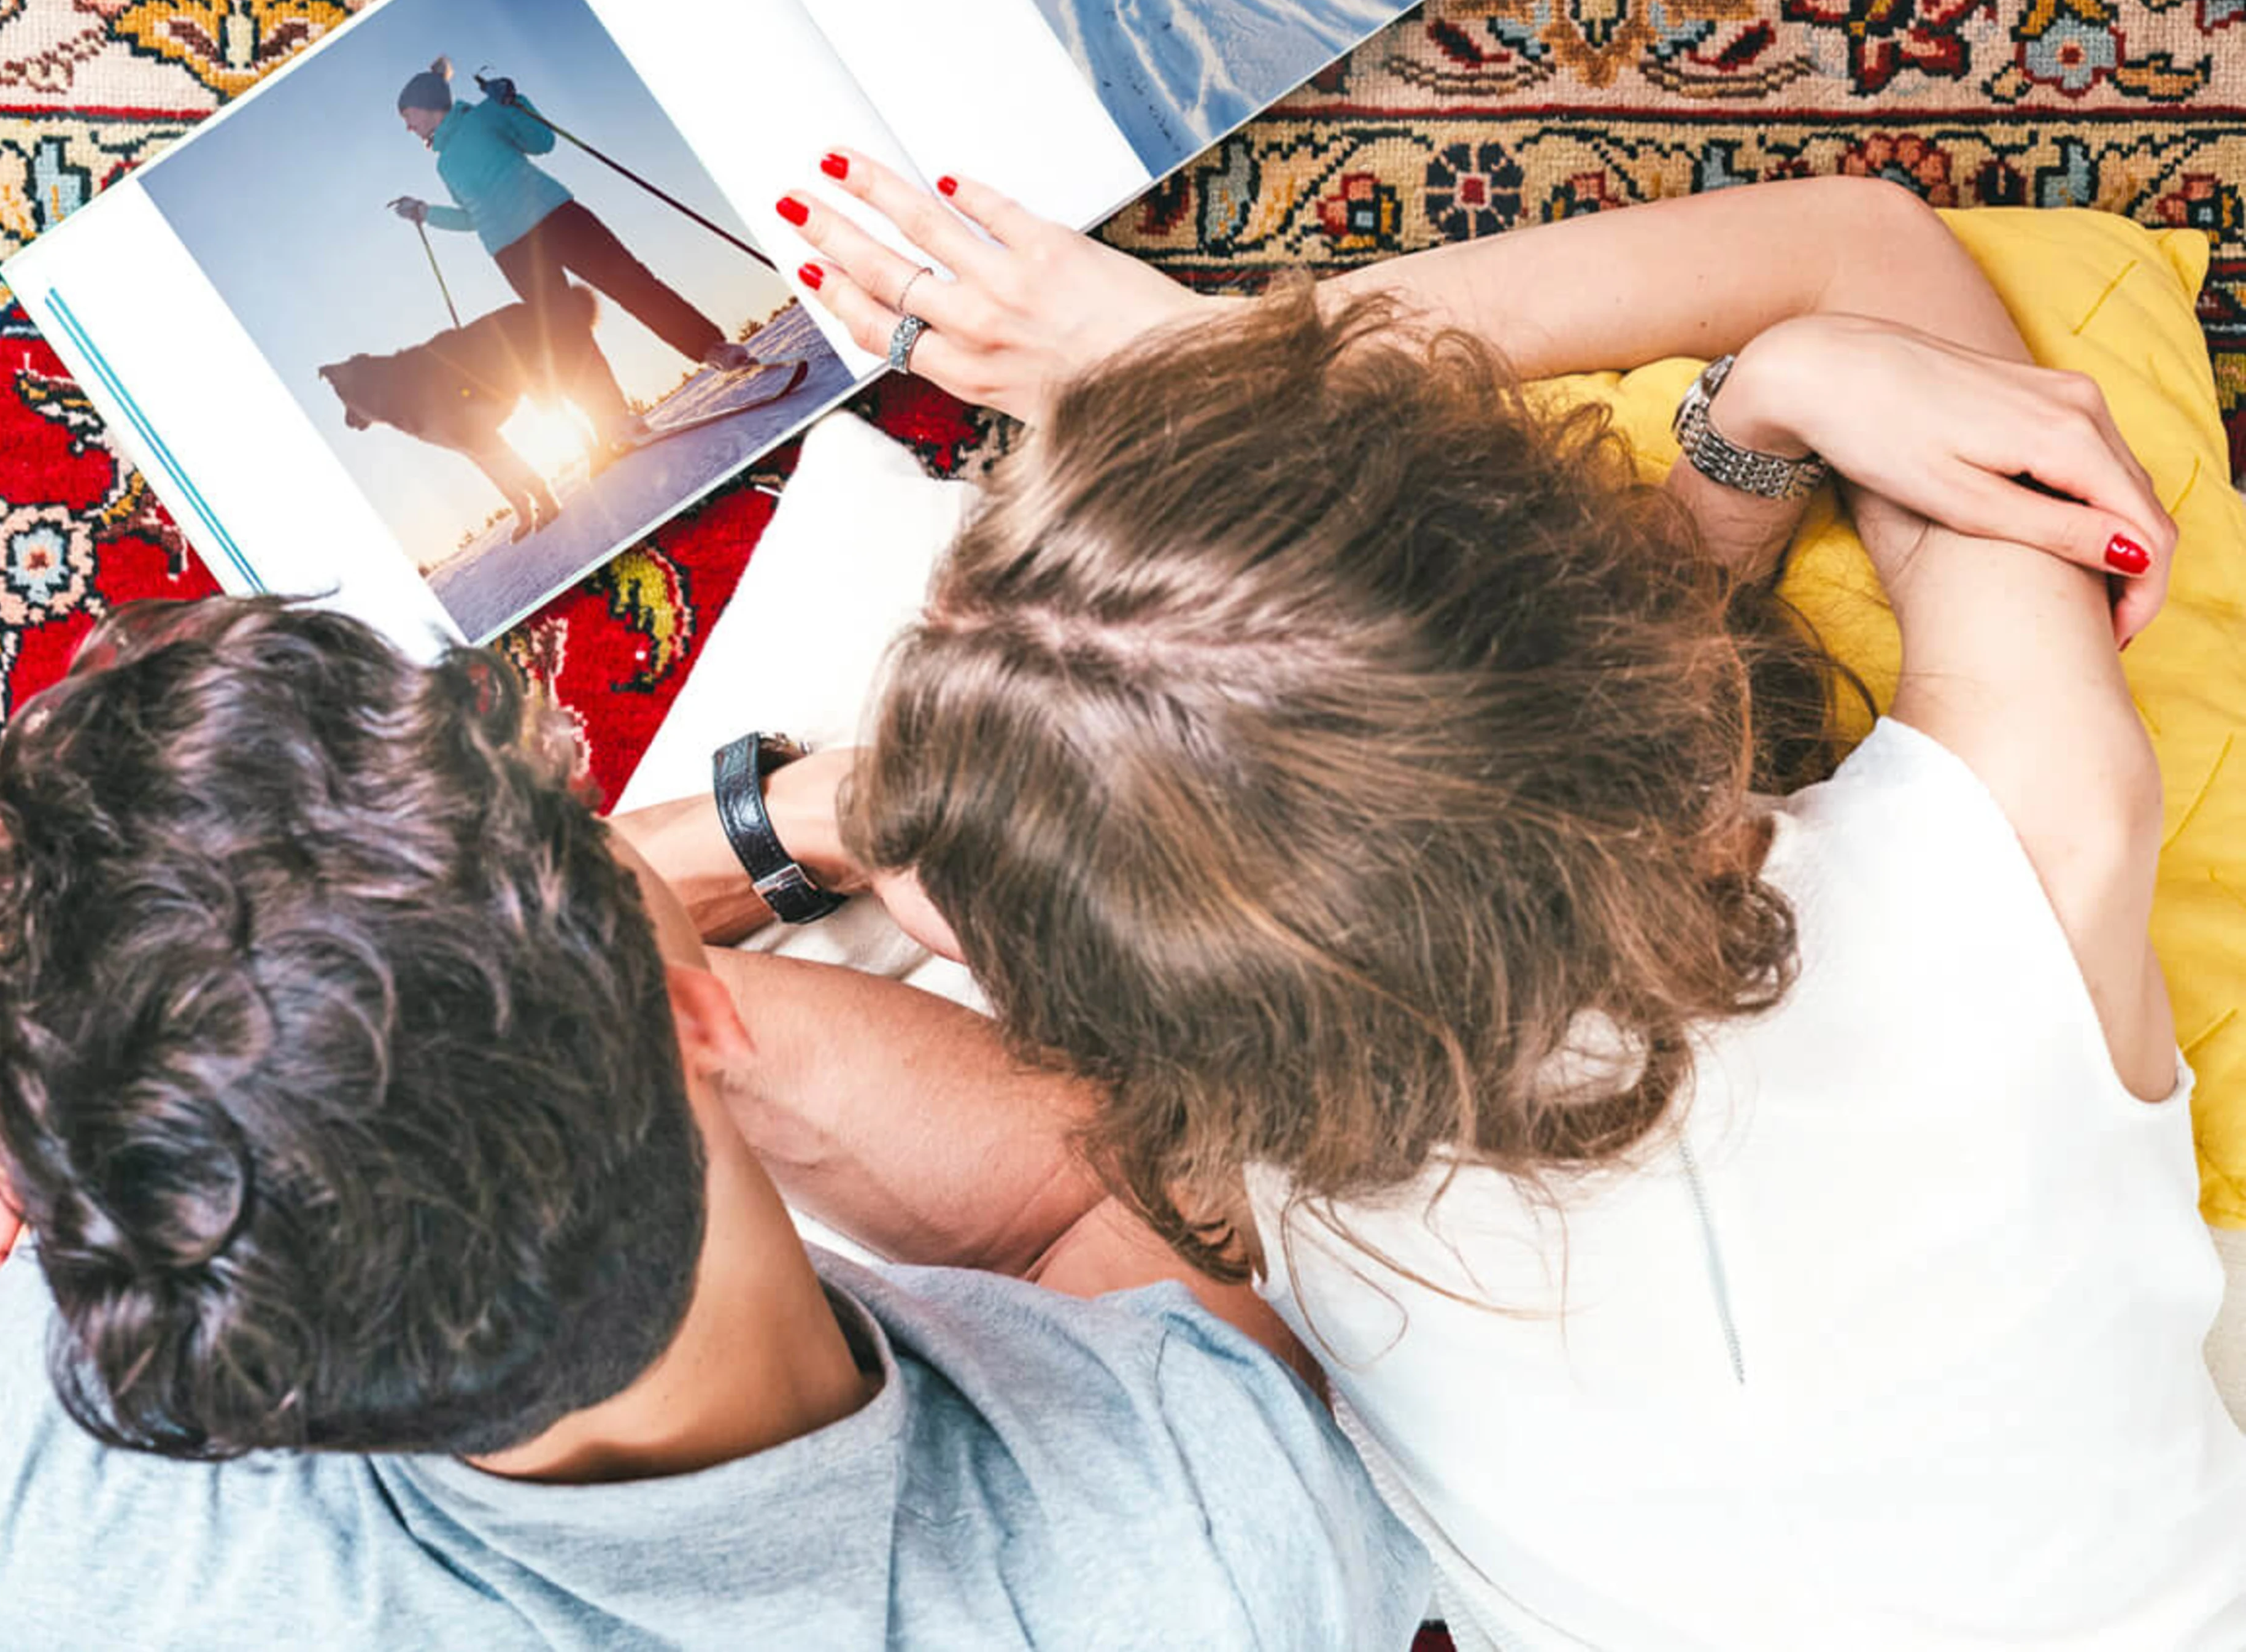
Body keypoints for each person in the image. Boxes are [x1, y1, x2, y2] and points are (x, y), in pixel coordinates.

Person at [733, 153, 2246, 1649]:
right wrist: (1207, 354)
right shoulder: (2030, 855)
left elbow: (948, 888)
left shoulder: (1255, 1167)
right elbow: (1867, 248)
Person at [0, 598, 1429, 1652]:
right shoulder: (1194, 1537)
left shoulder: (60, 1487)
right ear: (709, 1023)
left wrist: (790, 823)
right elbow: (1094, 1198)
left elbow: (274, 1030)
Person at [392, 56, 754, 458]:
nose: (408, 127)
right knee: (566, 334)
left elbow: (542, 142)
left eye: (409, 116)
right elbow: (472, 218)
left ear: (428, 105)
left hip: (556, 215)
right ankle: (614, 419)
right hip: (511, 250)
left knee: (631, 283)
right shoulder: (444, 165)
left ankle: (711, 348)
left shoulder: (484, 116)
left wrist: (514, 100)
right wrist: (426, 213)